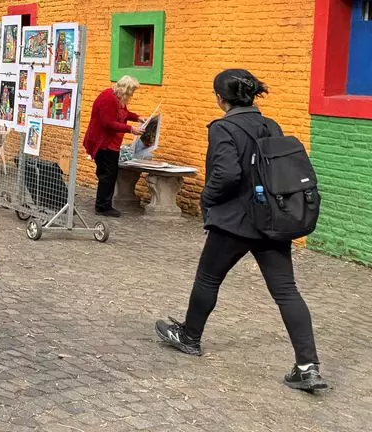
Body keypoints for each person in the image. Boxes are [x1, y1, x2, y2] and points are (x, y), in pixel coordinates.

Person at [155, 69, 326, 392]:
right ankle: (308, 367)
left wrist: (207, 198)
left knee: (208, 278)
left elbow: (227, 174)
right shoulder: (271, 125)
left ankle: (190, 337)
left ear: (221, 98)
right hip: (272, 219)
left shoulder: (223, 128)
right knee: (286, 291)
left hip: (235, 220)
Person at [83, 76, 145, 217]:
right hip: (103, 144)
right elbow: (108, 123)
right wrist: (130, 129)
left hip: (111, 144)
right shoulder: (108, 98)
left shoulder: (118, 98)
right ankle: (102, 207)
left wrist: (137, 117)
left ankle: (105, 204)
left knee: (110, 174)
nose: (131, 96)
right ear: (125, 90)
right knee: (107, 175)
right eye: (131, 92)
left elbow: (124, 113)